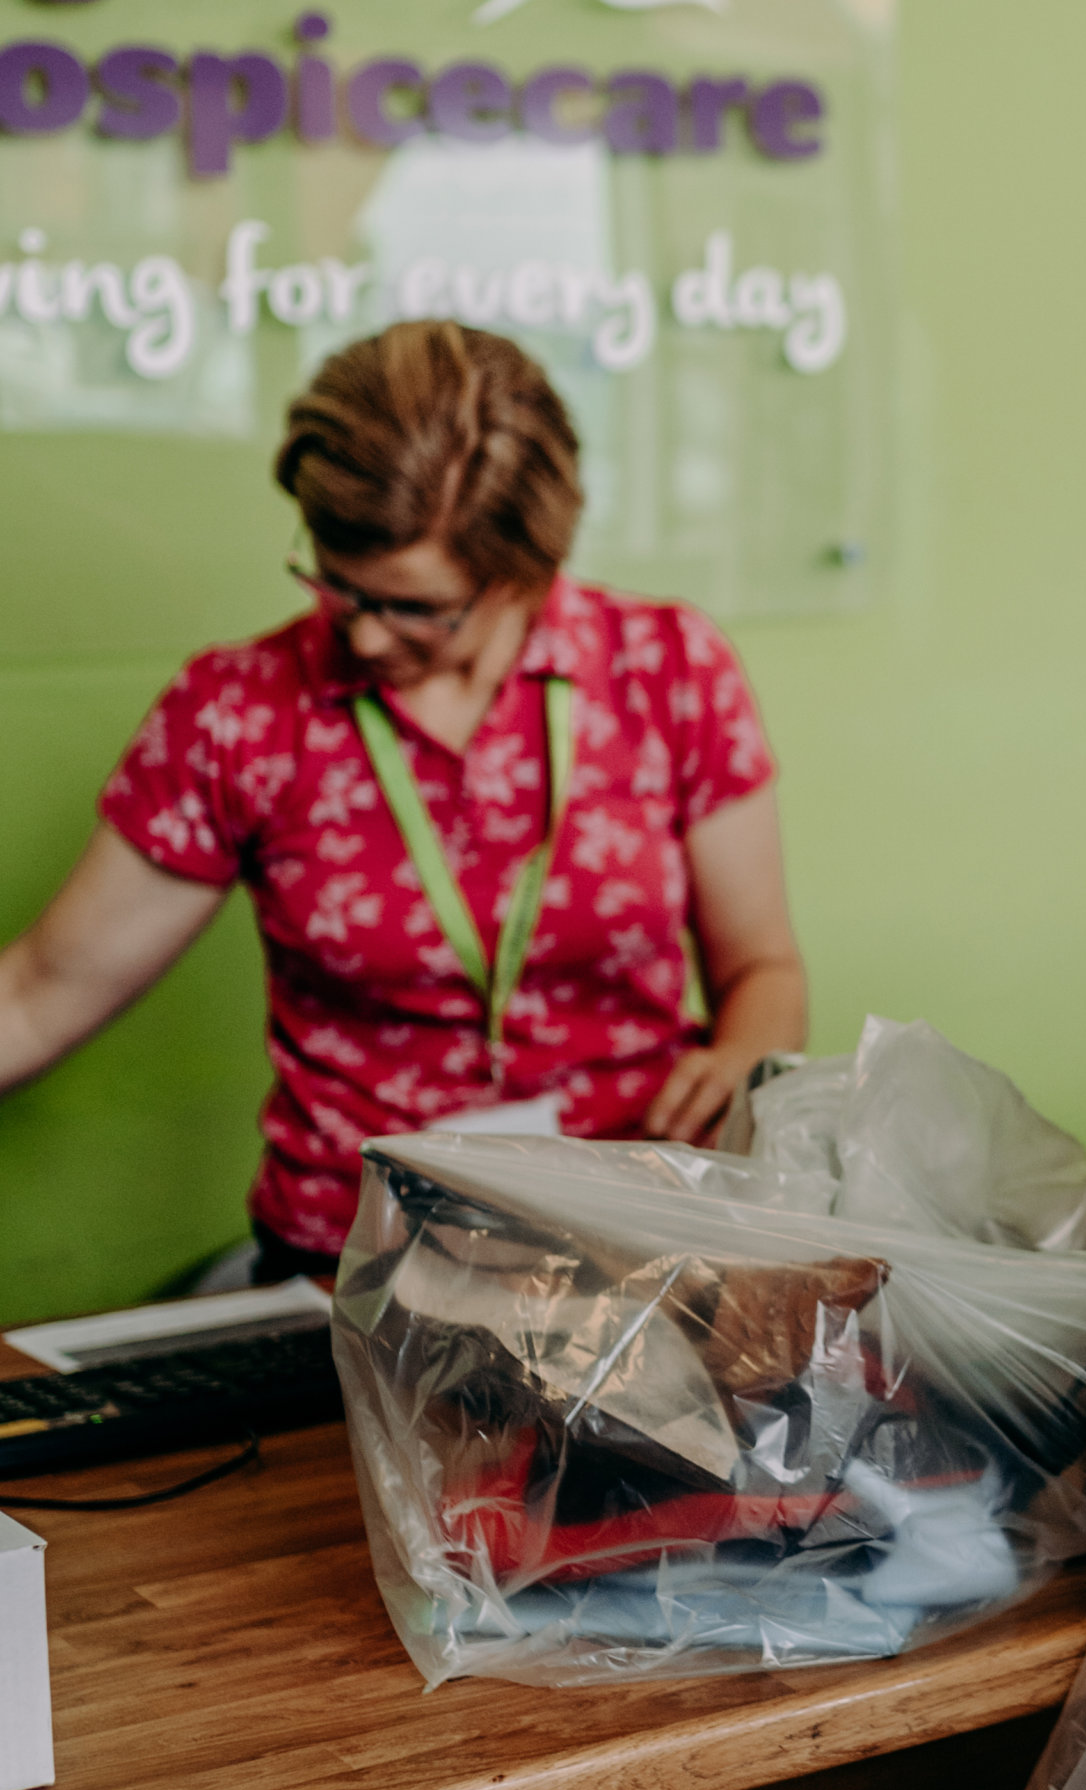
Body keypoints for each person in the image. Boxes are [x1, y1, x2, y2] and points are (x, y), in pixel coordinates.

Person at [0, 322, 807, 1283]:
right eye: (339, 588)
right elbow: (36, 993)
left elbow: (763, 968)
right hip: (350, 1276)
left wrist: (742, 1061)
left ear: (530, 567)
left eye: (416, 608)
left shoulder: (668, 671)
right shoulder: (240, 712)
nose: (368, 637)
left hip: (633, 1259)